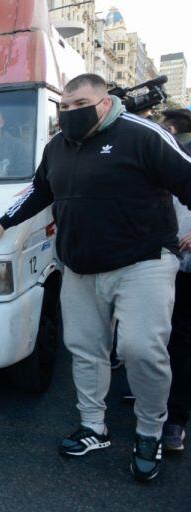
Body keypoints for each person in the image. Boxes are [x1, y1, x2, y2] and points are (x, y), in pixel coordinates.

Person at [0, 74, 191, 482]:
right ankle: (94, 427)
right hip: (80, 267)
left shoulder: (143, 135)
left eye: (79, 103)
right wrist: (1, 223)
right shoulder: (57, 147)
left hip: (143, 262)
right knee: (86, 350)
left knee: (141, 349)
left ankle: (149, 431)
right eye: (65, 105)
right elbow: (40, 192)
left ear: (104, 103)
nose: (70, 111)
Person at [161, 108, 191, 452]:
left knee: (182, 340)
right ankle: (157, 396)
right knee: (161, 335)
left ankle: (176, 419)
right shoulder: (160, 155)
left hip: (186, 265)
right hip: (161, 257)